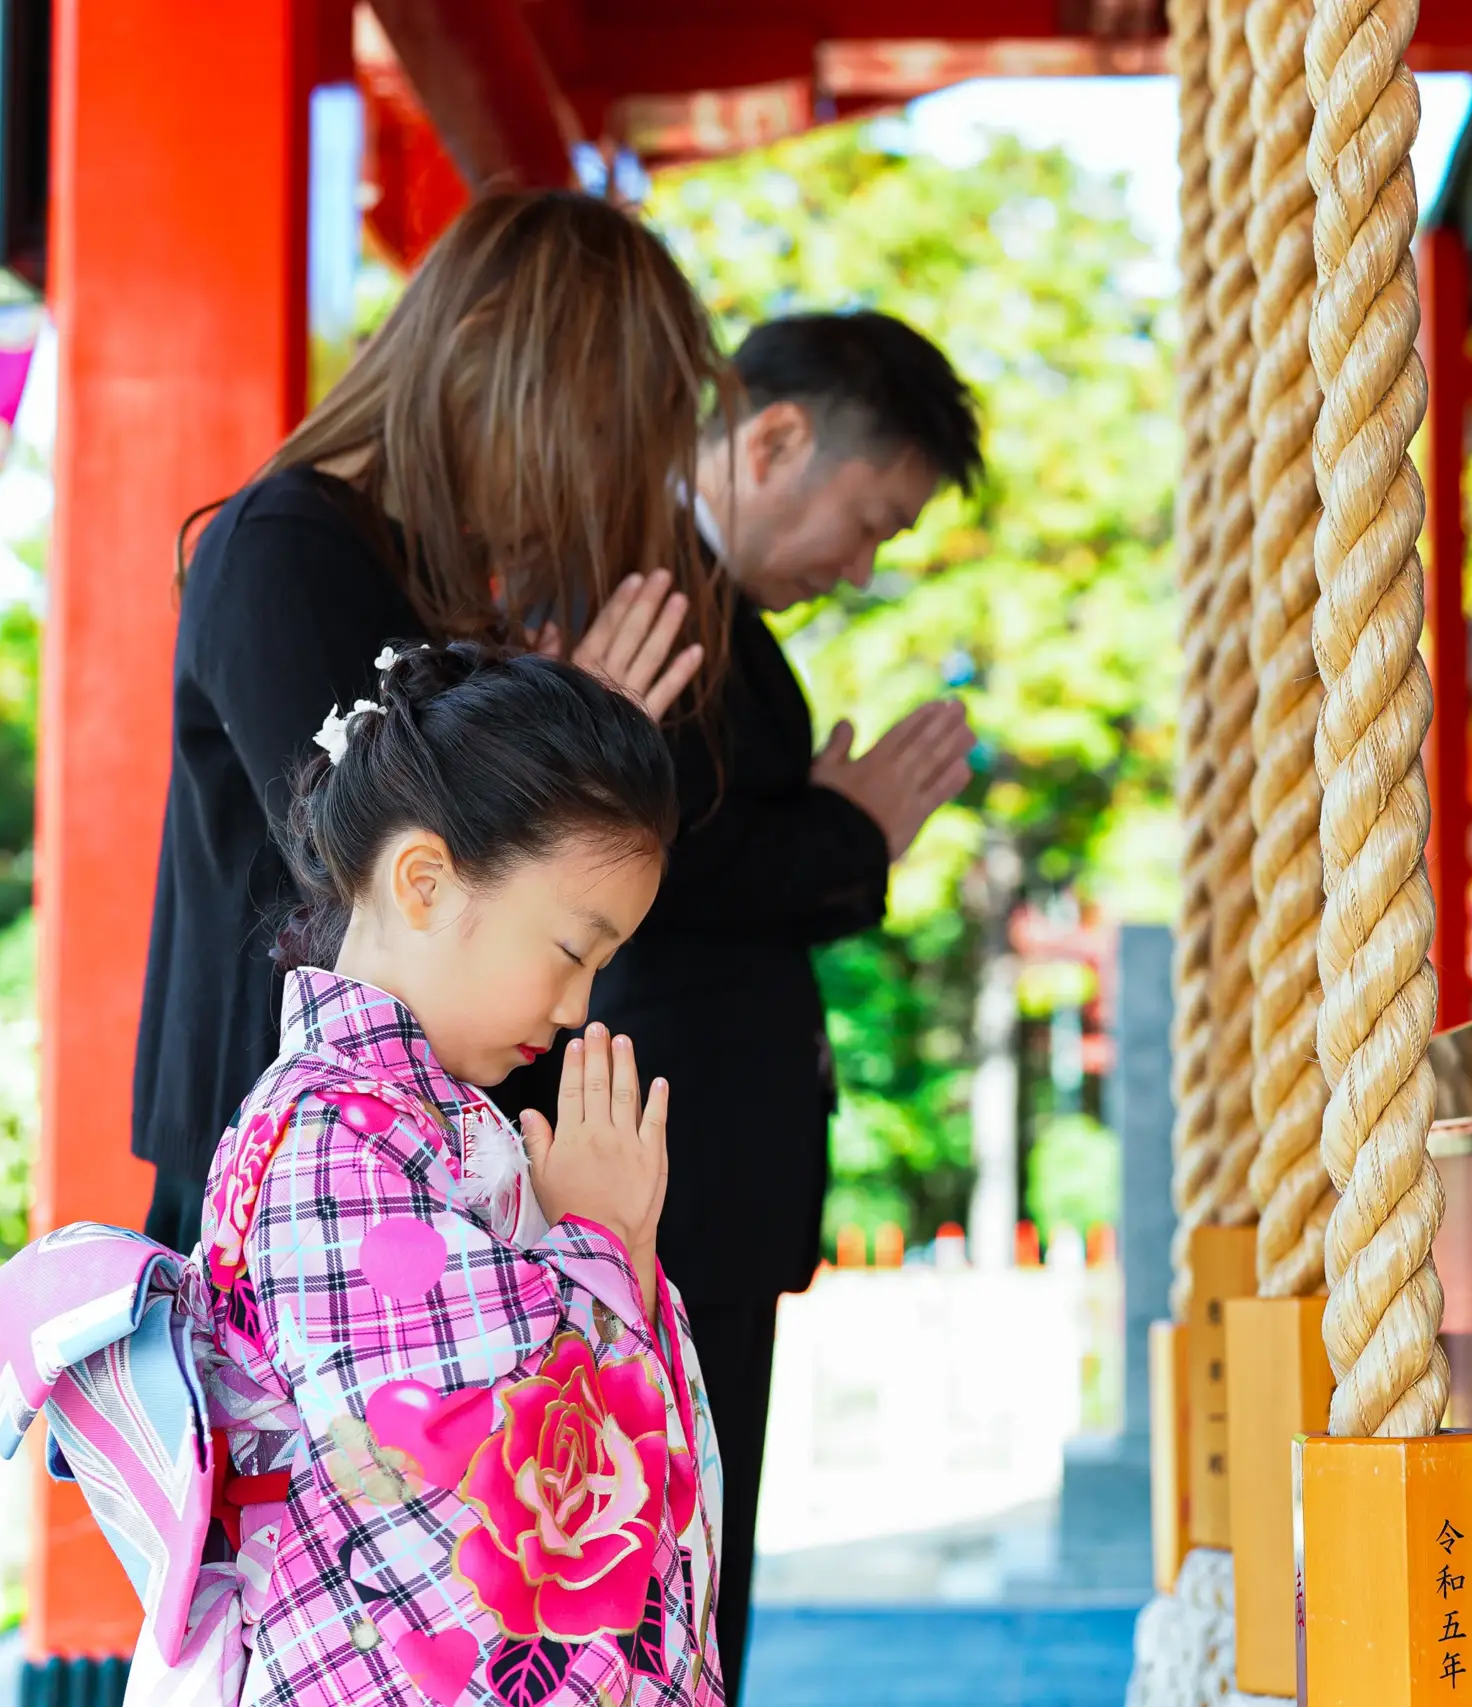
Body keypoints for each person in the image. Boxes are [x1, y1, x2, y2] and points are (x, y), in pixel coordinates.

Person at [0, 643, 724, 1705]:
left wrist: (593, 1253)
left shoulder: (397, 1120)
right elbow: (444, 1445)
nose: (578, 1009)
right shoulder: (327, 1136)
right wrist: (600, 1251)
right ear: (424, 881)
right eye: (571, 951)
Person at [494, 311, 983, 1696]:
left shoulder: (708, 606)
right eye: (869, 516)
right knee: (649, 1549)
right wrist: (853, 834)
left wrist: (840, 827)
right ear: (772, 437)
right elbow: (664, 857)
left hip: (689, 1161)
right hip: (649, 1156)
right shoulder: (638, 584)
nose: (863, 564)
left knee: (690, 1547)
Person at [134, 189, 724, 1254]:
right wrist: (565, 764)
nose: (590, 486)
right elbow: (354, 866)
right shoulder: (286, 548)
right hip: (286, 1158)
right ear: (484, 356)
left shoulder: (409, 572)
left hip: (381, 1155)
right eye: (593, 434)